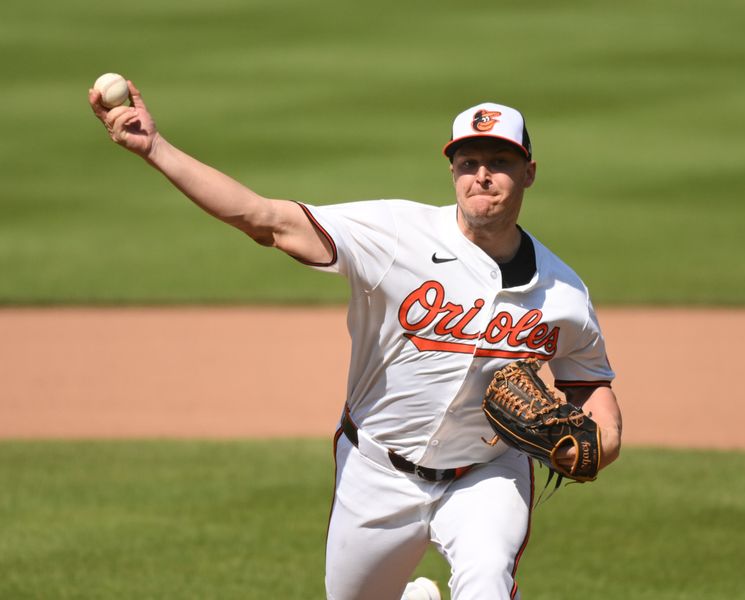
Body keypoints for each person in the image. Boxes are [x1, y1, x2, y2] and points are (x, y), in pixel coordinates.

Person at [89, 85, 623, 600]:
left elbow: (590, 382)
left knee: (486, 580)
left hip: (485, 475)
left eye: (499, 162)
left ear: (529, 171)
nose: (482, 176)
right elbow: (264, 219)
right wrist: (155, 148)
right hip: (376, 469)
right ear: (453, 172)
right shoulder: (396, 234)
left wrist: (601, 442)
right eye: (468, 162)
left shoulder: (564, 293)